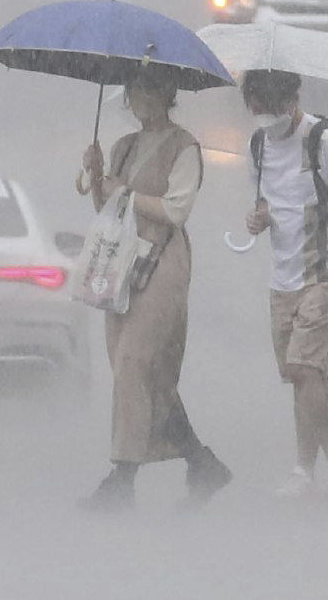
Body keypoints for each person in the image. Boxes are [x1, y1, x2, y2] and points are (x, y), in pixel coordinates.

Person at [78, 75, 231, 509]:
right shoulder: (123, 146)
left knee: (133, 363)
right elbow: (107, 210)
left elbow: (175, 209)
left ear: (169, 95)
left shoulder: (184, 147)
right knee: (151, 379)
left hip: (162, 263)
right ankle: (202, 463)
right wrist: (96, 176)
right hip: (119, 262)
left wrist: (123, 192)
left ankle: (120, 481)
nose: (142, 98)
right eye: (135, 91)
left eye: (151, 90)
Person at [239, 67, 328, 495]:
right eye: (255, 110)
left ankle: (303, 471)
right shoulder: (258, 145)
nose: (263, 119)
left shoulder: (325, 143)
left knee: (303, 367)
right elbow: (264, 204)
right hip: (283, 278)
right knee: (309, 376)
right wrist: (258, 219)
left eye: (269, 110)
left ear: (292, 100)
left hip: (326, 275)